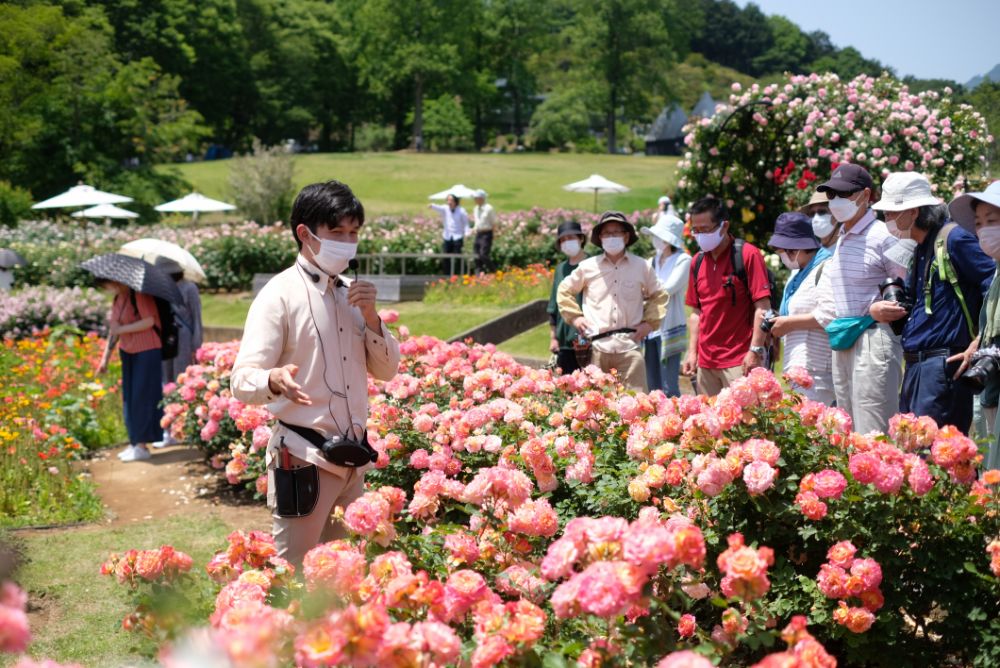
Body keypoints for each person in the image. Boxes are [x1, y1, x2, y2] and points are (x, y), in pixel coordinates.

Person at [231, 180, 401, 565]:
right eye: (336, 231)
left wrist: (372, 318)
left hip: (355, 460)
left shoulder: (350, 294)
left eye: (354, 232)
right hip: (304, 458)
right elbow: (242, 379)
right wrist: (273, 380)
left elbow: (388, 370)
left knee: (349, 576)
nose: (347, 240)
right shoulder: (279, 295)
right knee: (294, 576)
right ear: (304, 234)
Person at [866, 173, 994, 435]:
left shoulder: (954, 238)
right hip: (915, 366)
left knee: (935, 455)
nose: (886, 220)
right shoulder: (920, 247)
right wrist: (881, 310)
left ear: (912, 212)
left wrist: (981, 340)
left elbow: (993, 284)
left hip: (943, 365)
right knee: (912, 455)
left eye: (890, 213)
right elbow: (915, 304)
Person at [811, 164, 909, 434]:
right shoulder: (842, 236)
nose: (836, 202)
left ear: (866, 196)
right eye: (831, 195)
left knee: (872, 427)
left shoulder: (884, 236)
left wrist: (883, 307)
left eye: (843, 194)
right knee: (847, 428)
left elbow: (905, 293)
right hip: (844, 337)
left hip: (874, 337)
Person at [557, 211, 667, 392]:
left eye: (616, 232)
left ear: (626, 236)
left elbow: (659, 295)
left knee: (636, 406)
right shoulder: (588, 266)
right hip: (596, 349)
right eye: (607, 233)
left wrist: (649, 323)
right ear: (600, 238)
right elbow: (564, 290)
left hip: (630, 347)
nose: (611, 237)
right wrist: (576, 318)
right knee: (595, 409)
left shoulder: (642, 266)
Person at [682, 197, 772, 397]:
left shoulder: (747, 255)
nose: (700, 236)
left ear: (724, 226)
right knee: (708, 424)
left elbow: (763, 308)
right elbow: (697, 312)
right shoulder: (696, 262)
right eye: (695, 230)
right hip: (706, 364)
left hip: (739, 361)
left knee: (744, 424)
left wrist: (755, 351)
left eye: (705, 229)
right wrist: (692, 352)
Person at [949, 180, 1000, 465]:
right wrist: (979, 343)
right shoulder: (995, 273)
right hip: (990, 391)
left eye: (992, 220)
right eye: (979, 222)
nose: (983, 229)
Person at [765, 212, 835, 404]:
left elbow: (830, 314)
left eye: (783, 249)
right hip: (797, 364)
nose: (781, 255)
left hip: (817, 369)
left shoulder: (826, 268)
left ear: (797, 247)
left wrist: (789, 323)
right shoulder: (798, 272)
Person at [96, 281, 163, 463]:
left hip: (147, 349)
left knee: (142, 396)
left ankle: (142, 445)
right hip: (128, 351)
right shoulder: (119, 299)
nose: (108, 287)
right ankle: (135, 441)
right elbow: (114, 330)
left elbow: (149, 321)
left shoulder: (140, 295)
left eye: (109, 284)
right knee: (129, 397)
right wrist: (105, 359)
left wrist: (123, 329)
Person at [640, 213, 691, 396]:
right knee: (652, 384)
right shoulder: (651, 261)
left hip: (670, 326)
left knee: (669, 386)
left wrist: (647, 290)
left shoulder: (683, 260)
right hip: (651, 326)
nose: (656, 240)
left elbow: (668, 288)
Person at [155, 257, 203, 447]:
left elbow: (197, 318)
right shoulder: (160, 289)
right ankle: (169, 431)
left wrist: (196, 346)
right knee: (166, 384)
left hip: (183, 339)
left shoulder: (189, 288)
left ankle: (183, 430)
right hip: (166, 339)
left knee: (182, 384)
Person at [547, 221, 588, 375]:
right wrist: (554, 337)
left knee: (588, 387)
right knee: (566, 387)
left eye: (570, 238)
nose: (567, 242)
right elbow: (553, 306)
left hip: (585, 337)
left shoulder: (593, 264)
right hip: (564, 339)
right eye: (563, 240)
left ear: (580, 239)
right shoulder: (560, 269)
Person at [429, 194, 469, 276]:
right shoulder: (445, 208)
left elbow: (466, 224)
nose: (449, 202)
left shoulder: (461, 211)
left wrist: (467, 233)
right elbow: (438, 207)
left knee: (458, 257)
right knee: (446, 257)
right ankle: (447, 275)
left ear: (456, 201)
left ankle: (460, 274)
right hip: (447, 236)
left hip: (457, 236)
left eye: (451, 200)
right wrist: (432, 205)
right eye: (448, 200)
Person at [470, 189, 497, 274]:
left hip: (487, 233)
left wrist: (494, 234)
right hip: (479, 233)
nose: (475, 200)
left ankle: (494, 271)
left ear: (481, 198)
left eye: (476, 198)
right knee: (476, 254)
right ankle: (479, 273)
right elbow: (477, 221)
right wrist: (474, 228)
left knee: (483, 254)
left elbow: (493, 222)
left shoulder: (489, 208)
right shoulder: (476, 209)